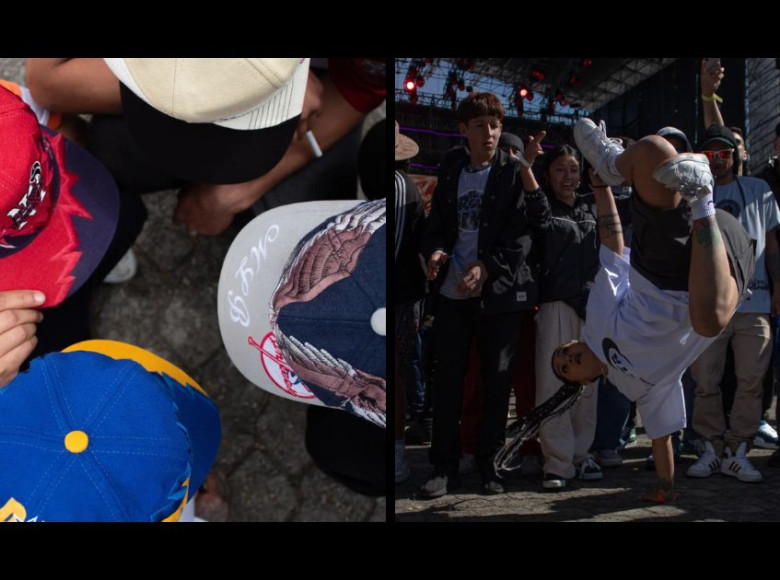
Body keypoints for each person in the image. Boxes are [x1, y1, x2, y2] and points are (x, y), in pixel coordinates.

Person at [552, 118, 755, 502]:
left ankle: (615, 161)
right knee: (708, 322)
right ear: (582, 383)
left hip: (659, 269)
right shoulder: (639, 389)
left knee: (653, 150)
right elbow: (661, 437)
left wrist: (601, 186)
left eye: (563, 352)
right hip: (715, 271)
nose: (568, 357)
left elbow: (612, 249)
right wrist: (665, 488)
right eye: (566, 367)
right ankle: (702, 195)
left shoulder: (596, 325)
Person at [420, 92, 547, 497]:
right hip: (453, 294)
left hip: (499, 298)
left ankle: (490, 466)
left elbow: (522, 235)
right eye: (481, 126)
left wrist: (487, 266)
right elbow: (437, 223)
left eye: (494, 125)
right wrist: (436, 251)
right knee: (448, 385)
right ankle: (443, 467)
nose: (490, 133)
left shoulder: (512, 172)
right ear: (464, 131)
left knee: (497, 384)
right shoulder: (452, 168)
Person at [684, 124, 780, 483]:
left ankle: (738, 450)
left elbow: (772, 246)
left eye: (724, 153)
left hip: (755, 301)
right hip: (710, 306)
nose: (717, 161)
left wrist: (778, 284)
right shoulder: (690, 195)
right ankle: (710, 448)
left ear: (737, 156)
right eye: (709, 154)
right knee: (705, 380)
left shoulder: (759, 189)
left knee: (751, 381)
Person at [518, 140, 602, 489]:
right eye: (559, 169)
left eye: (572, 169)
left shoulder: (590, 206)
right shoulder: (542, 207)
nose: (567, 176)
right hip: (554, 305)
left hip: (592, 307)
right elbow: (537, 209)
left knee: (589, 386)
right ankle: (557, 463)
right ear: (547, 175)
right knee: (553, 384)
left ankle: (582, 457)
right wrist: (526, 165)